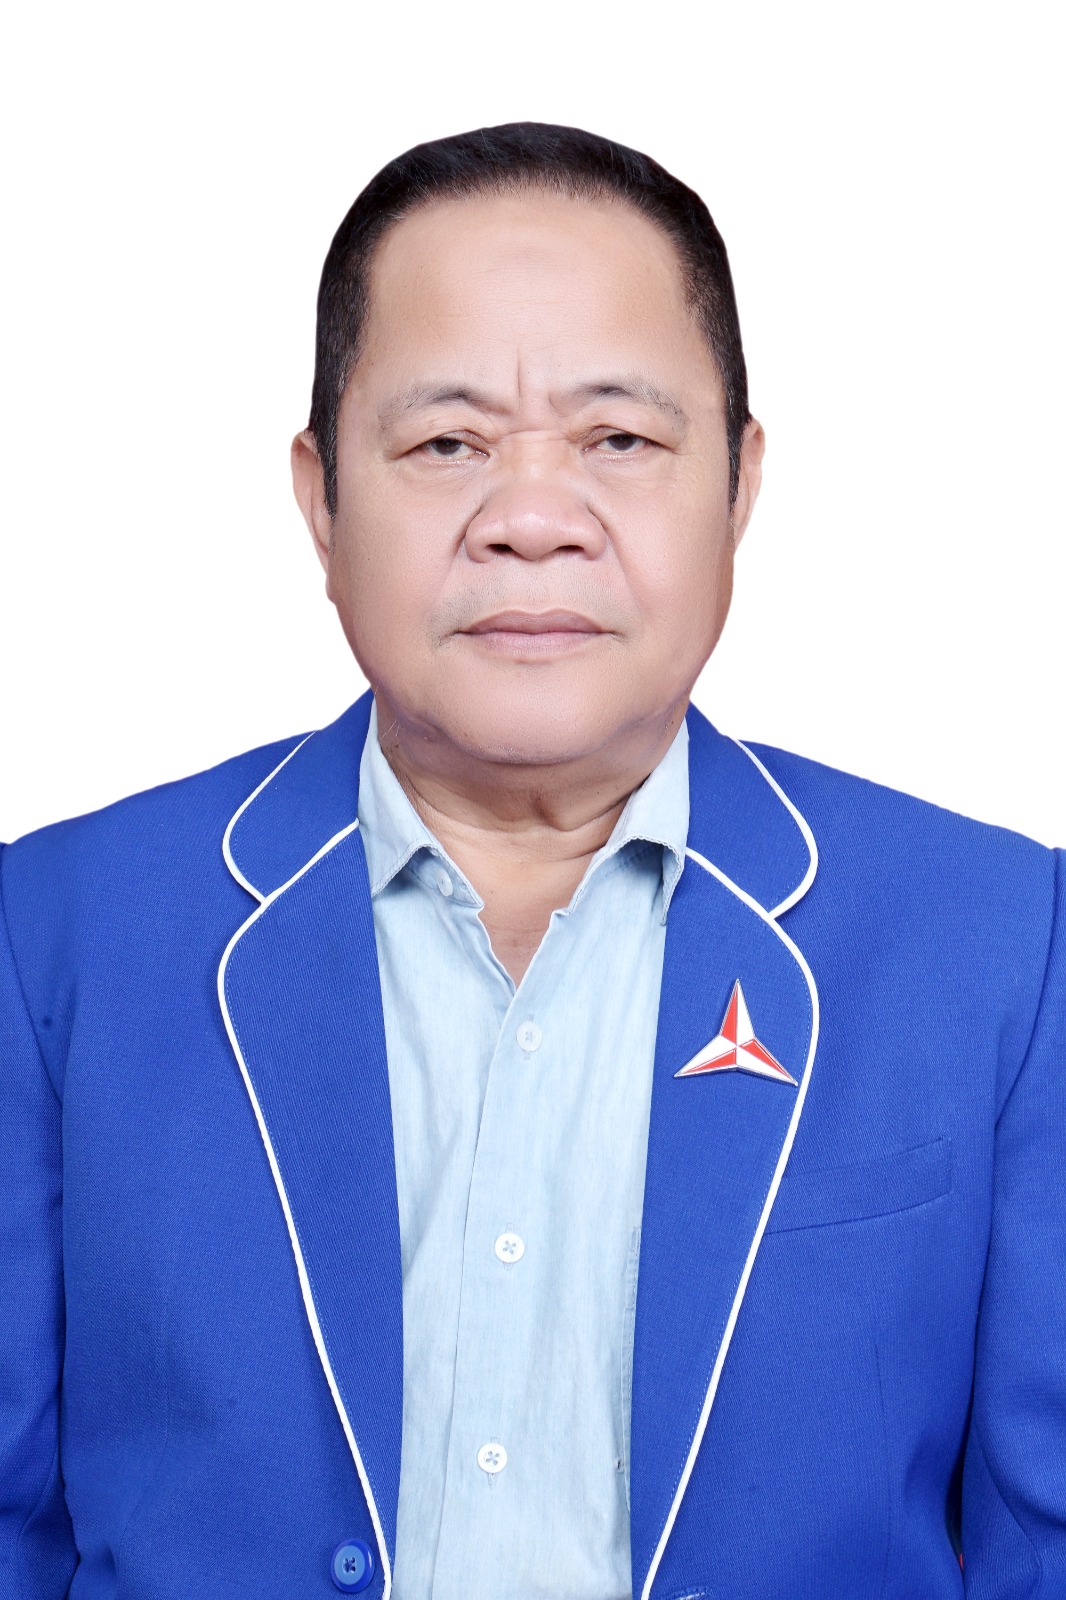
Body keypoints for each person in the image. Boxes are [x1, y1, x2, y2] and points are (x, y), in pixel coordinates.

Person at [1, 120, 1063, 1600]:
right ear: (319, 498)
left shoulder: (1004, 946)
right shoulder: (52, 935)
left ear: (740, 485)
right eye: (447, 444)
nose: (533, 521)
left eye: (619, 440)